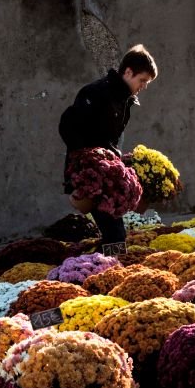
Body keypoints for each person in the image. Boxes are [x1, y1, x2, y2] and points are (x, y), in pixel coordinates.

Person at [59, 44, 157, 244]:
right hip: (93, 177)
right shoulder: (96, 92)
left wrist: (117, 159)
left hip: (107, 178)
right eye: (143, 80)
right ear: (128, 72)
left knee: (115, 236)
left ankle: (101, 268)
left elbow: (109, 139)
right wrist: (89, 162)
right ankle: (94, 270)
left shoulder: (125, 101)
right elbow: (68, 126)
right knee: (115, 236)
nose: (144, 86)